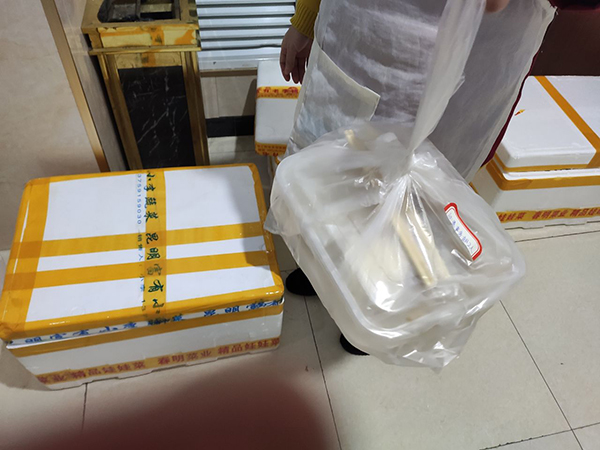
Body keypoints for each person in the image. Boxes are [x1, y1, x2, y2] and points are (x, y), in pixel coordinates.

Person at [278, 0, 555, 354]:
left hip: (475, 48)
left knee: (419, 198)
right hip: (357, 29)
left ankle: (377, 303)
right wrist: (306, 17)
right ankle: (325, 269)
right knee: (332, 167)